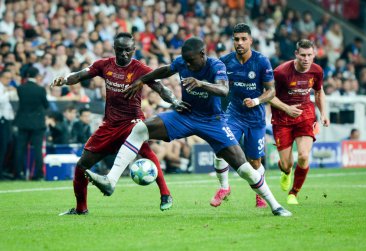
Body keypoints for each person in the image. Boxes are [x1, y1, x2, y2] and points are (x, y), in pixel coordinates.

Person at [86, 37, 291, 217]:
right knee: (140, 129)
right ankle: (111, 181)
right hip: (186, 115)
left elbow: (223, 89)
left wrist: (201, 84)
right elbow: (165, 70)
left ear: (203, 54)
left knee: (245, 168)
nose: (188, 66)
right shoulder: (182, 62)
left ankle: (275, 206)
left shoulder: (215, 66)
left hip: (213, 121)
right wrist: (141, 80)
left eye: (191, 61)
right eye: (185, 61)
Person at [51, 32, 173, 215]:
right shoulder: (104, 65)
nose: (124, 54)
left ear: (134, 50)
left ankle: (165, 194)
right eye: (120, 50)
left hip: (132, 121)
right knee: (81, 166)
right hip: (109, 125)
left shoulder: (140, 69)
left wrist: (175, 101)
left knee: (146, 151)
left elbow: (160, 88)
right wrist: (65, 80)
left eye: (128, 50)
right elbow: (80, 75)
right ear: (115, 49)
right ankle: (80, 209)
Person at [210, 23, 275, 208]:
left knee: (255, 162)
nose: (240, 43)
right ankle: (224, 187)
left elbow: (271, 91)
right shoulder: (225, 61)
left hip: (255, 118)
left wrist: (256, 101)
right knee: (221, 149)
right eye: (236, 39)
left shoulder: (261, 61)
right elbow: (217, 86)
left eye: (243, 39)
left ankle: (260, 193)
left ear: (250, 40)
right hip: (234, 115)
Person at [270, 39, 330, 205]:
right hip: (282, 118)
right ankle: (286, 171)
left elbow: (319, 92)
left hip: (305, 115)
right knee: (287, 164)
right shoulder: (281, 72)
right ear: (296, 54)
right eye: (302, 55)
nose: (306, 58)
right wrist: (286, 108)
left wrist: (323, 113)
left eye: (309, 55)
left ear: (314, 55)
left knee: (303, 156)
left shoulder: (317, 71)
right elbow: (268, 95)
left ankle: (293, 193)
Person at [14, 66, 49, 180]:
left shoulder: (20, 88)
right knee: (38, 149)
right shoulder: (40, 89)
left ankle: (18, 173)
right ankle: (38, 174)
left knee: (20, 148)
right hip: (37, 123)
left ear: (27, 76)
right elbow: (46, 105)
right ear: (37, 76)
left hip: (23, 122)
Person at [0, 70, 15, 180]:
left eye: (10, 78)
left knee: (6, 147)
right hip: (2, 121)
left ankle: (3, 170)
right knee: (2, 148)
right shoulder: (3, 89)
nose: (9, 80)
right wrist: (8, 93)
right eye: (7, 78)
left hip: (7, 121)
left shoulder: (5, 89)